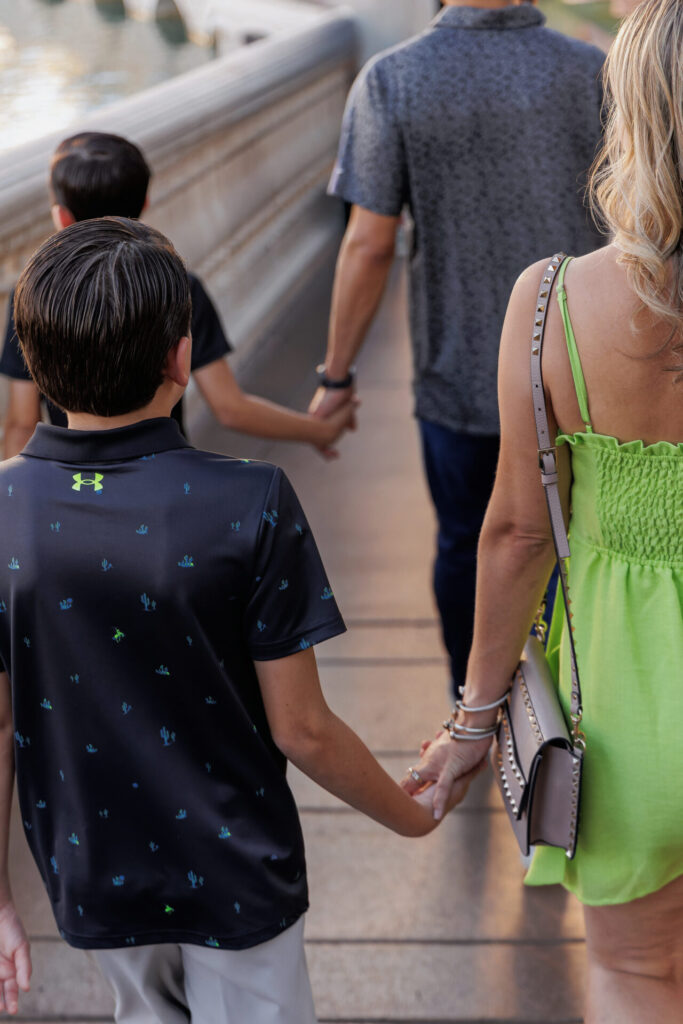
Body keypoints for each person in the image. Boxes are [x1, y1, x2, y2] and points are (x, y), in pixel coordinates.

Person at [0, 217, 481, 1020]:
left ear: (35, 362)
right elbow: (304, 731)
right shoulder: (246, 501)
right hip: (234, 871)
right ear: (181, 358)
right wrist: (412, 816)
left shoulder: (6, 507)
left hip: (91, 868)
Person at [404, 1, 683, 1020]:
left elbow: (516, 532)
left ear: (631, 115)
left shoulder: (551, 303)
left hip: (625, 720)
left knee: (633, 974)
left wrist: (474, 721)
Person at [309, 0, 605, 698]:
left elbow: (369, 242)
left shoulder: (393, 80)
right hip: (583, 370)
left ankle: (474, 700)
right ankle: (571, 700)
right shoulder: (593, 71)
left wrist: (337, 374)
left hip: (461, 374)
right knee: (577, 542)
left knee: (465, 541)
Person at [0, 132, 354, 461]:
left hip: (68, 482)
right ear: (147, 201)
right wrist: (320, 430)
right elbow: (230, 407)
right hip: (162, 469)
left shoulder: (31, 292)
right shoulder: (177, 285)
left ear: (61, 217)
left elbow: (21, 423)